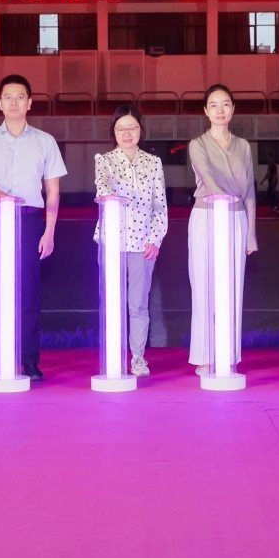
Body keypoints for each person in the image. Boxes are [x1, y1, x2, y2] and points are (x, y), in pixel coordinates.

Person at [0, 74, 66, 381]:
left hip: (30, 221)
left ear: (29, 103)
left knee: (28, 293)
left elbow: (52, 191)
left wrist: (49, 231)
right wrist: (5, 199)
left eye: (20, 97)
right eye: (8, 97)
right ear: (0, 103)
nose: (14, 102)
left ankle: (29, 359)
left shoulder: (45, 141)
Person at [187, 84, 258, 376]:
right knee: (204, 286)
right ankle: (204, 356)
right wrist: (222, 200)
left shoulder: (244, 146)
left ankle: (228, 354)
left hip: (236, 219)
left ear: (232, 109)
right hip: (206, 217)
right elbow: (208, 180)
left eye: (225, 104)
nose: (220, 110)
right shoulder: (197, 144)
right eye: (214, 105)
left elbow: (250, 190)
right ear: (206, 111)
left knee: (232, 288)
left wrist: (251, 233)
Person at [93, 104, 168, 376]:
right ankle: (113, 354)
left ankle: (138, 357)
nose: (127, 134)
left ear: (141, 130)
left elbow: (160, 205)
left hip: (142, 243)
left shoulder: (153, 162)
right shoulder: (104, 160)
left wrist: (155, 238)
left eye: (132, 128)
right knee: (112, 301)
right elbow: (103, 187)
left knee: (138, 304)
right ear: (113, 132)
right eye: (121, 129)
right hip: (112, 242)